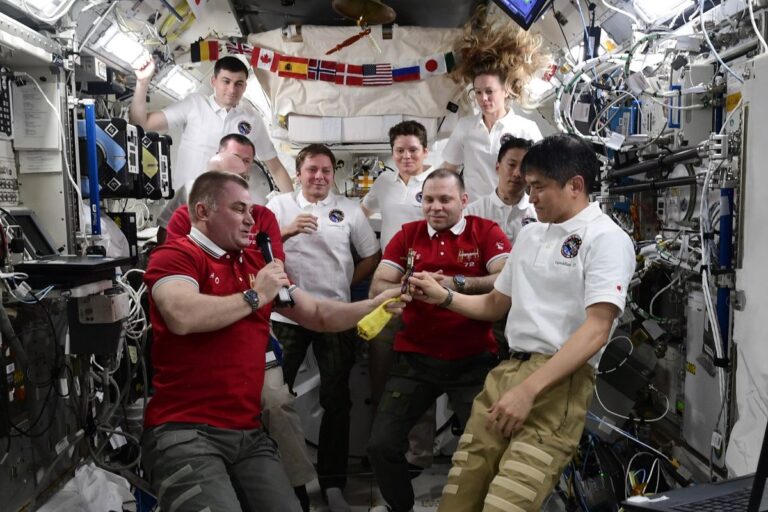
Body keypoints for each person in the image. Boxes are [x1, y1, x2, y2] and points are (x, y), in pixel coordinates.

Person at [142, 171, 405, 512]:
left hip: (247, 433)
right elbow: (182, 315)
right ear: (203, 212)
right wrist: (256, 296)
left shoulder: (256, 263)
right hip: (186, 430)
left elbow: (319, 315)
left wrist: (373, 305)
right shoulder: (176, 256)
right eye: (238, 209)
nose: (251, 220)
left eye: (251, 210)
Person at [410, 135, 636, 512]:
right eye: (529, 187)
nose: (530, 197)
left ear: (575, 185)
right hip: (508, 373)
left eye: (539, 187)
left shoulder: (606, 238)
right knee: (458, 499)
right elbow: (496, 304)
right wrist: (444, 296)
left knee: (507, 503)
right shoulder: (531, 234)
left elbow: (597, 329)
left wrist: (528, 391)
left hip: (557, 382)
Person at [158, 152, 317, 510]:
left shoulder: (262, 218)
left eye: (241, 176)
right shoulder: (184, 220)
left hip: (253, 328)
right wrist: (251, 293)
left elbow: (274, 277)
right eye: (225, 177)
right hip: (205, 337)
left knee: (275, 402)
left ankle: (296, 489)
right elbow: (183, 297)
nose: (246, 217)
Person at [366, 169, 512, 512]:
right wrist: (411, 285)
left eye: (445, 199)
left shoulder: (484, 231)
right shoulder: (408, 234)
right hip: (415, 358)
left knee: (490, 445)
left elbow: (506, 276)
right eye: (428, 199)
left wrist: (454, 284)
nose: (435, 207)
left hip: (474, 358)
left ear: (463, 200)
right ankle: (399, 506)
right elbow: (377, 286)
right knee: (381, 445)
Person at [266, 144, 380, 511]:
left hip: (334, 315)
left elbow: (372, 255)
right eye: (312, 169)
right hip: (287, 316)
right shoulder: (278, 206)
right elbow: (259, 251)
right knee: (273, 399)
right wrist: (287, 231)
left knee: (337, 399)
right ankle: (281, 482)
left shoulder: (349, 210)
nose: (319, 176)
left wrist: (347, 284)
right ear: (298, 173)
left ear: (333, 174)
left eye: (326, 170)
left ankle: (333, 485)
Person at [360, 120, 437, 470]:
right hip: (387, 285)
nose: (406, 156)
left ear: (425, 151)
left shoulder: (436, 183)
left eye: (413, 150)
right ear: (392, 153)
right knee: (381, 369)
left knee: (420, 373)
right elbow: (361, 214)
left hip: (425, 285)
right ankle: (381, 450)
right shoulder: (384, 182)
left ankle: (418, 454)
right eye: (399, 150)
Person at [130, 56, 293, 193]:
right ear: (213, 81)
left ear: (245, 86)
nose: (232, 90)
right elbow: (141, 124)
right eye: (226, 81)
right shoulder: (194, 105)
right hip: (185, 201)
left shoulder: (252, 120)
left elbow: (276, 168)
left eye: (238, 84)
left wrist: (293, 205)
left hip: (224, 208)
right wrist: (142, 82)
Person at [440, 9, 547, 202]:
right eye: (478, 92)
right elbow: (449, 171)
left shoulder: (526, 129)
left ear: (506, 90)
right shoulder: (465, 127)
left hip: (514, 213)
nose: (483, 98)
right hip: (475, 213)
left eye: (489, 91)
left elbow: (544, 174)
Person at [156, 133, 257, 244]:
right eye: (235, 157)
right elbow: (165, 231)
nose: (239, 164)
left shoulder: (256, 203)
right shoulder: (191, 190)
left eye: (246, 160)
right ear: (218, 156)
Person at [465, 136, 537, 247]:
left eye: (524, 167)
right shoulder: (473, 212)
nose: (517, 173)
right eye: (511, 165)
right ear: (497, 167)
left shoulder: (538, 213)